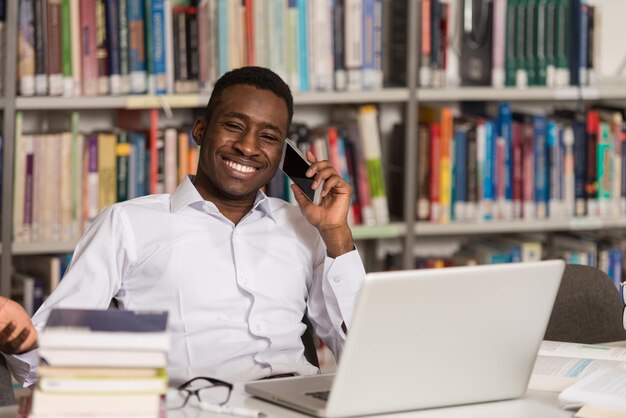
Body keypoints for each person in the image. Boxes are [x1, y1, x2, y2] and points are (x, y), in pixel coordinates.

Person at [6, 66, 366, 387]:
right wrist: (22, 339)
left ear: (283, 154)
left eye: (268, 137)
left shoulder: (303, 227)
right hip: (202, 408)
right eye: (234, 126)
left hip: (300, 403)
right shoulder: (128, 224)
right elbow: (40, 363)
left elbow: (361, 357)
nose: (247, 147)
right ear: (200, 130)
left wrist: (336, 234)